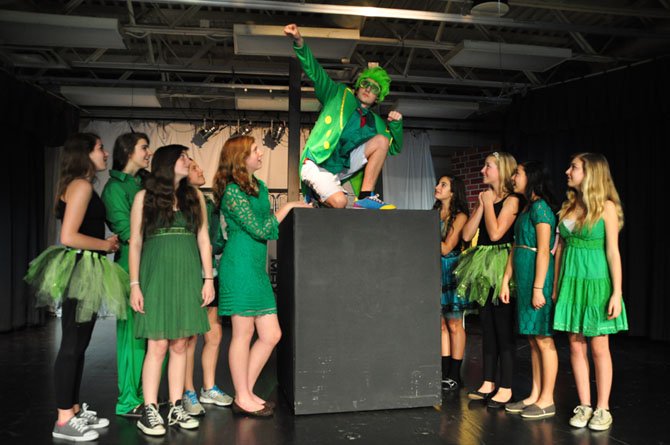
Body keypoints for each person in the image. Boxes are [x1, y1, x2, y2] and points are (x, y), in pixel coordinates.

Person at [24, 132, 127, 441]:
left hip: (87, 267)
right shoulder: (81, 186)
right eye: (99, 149)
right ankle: (63, 419)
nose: (105, 154)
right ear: (85, 153)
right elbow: (68, 236)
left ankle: (72, 408)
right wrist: (106, 245)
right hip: (81, 266)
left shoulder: (82, 185)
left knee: (79, 343)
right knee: (72, 344)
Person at [212, 135, 311, 417]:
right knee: (243, 334)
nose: (261, 154)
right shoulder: (231, 191)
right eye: (255, 150)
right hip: (239, 266)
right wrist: (289, 206)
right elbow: (260, 228)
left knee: (271, 333)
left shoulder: (261, 187)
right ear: (241, 158)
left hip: (256, 267)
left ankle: (244, 392)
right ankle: (243, 396)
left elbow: (264, 227)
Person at [129, 145, 214, 436]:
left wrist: (208, 279)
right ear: (167, 163)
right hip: (156, 275)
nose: (188, 161)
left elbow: (204, 240)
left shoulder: (195, 197)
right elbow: (136, 243)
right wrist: (134, 284)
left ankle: (176, 406)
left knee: (180, 344)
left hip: (187, 273)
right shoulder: (145, 197)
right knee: (158, 345)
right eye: (182, 156)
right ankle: (150, 410)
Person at [284, 23, 403, 210]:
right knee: (340, 203)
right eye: (365, 83)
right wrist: (299, 42)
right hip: (317, 163)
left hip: (339, 170)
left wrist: (396, 125)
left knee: (380, 141)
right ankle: (314, 197)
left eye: (374, 89)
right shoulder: (338, 94)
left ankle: (365, 197)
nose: (367, 89)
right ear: (358, 85)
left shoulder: (375, 122)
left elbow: (394, 147)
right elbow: (316, 73)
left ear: (378, 97)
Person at [552, 153, 628, 431]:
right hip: (571, 282)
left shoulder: (606, 207)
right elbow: (560, 250)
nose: (567, 171)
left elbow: (613, 252)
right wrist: (557, 286)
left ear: (590, 173)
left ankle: (602, 408)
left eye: (573, 167)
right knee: (574, 344)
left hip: (596, 282)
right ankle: (584, 405)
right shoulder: (569, 207)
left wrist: (616, 292)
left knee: (599, 347)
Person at [454, 151, 520, 408]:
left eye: (487, 166)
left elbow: (495, 234)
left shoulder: (512, 200)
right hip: (482, 267)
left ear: (501, 170)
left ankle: (506, 385)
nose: (483, 170)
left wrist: (491, 204)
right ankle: (488, 380)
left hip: (502, 266)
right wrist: (482, 205)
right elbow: (468, 233)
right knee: (486, 328)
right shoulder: (485, 198)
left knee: (503, 329)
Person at [500, 161, 558, 419]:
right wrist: (505, 279)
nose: (514, 177)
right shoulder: (527, 207)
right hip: (523, 278)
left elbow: (544, 249)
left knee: (544, 339)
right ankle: (535, 394)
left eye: (518, 173)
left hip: (538, 279)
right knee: (533, 340)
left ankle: (548, 399)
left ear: (531, 177)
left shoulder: (542, 209)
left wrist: (538, 288)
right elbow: (515, 247)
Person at [101, 131, 151, 418]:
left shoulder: (145, 182)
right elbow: (128, 232)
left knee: (154, 337)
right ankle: (128, 400)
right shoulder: (113, 189)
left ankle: (147, 394)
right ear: (128, 151)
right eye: (144, 148)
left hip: (153, 266)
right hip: (130, 270)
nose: (148, 153)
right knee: (132, 337)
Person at [182, 159, 233, 416]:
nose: (201, 170)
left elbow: (216, 240)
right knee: (189, 337)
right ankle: (188, 391)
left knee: (214, 334)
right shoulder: (179, 203)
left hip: (210, 273)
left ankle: (209, 387)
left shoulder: (210, 203)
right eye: (193, 167)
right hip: (189, 275)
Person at [433, 175, 471, 391]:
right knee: (440, 325)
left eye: (443, 184)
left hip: (451, 270)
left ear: (453, 192)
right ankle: (444, 371)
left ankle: (455, 374)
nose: (437, 187)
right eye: (439, 183)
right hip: (434, 270)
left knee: (455, 323)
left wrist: (423, 233)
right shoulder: (434, 212)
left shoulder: (460, 216)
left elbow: (446, 248)